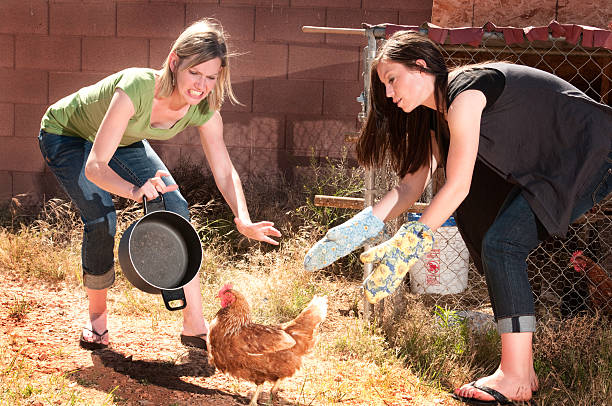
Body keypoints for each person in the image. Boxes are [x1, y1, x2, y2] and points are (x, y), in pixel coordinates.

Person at [304, 30, 611, 404]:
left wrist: (408, 242)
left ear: (420, 67)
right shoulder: (437, 118)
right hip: (556, 163)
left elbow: (459, 185)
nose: (388, 93)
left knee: (502, 245)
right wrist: (356, 228)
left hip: (591, 148)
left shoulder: (464, 95)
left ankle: (513, 376)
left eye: (391, 79)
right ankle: (522, 374)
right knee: (502, 245)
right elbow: (410, 188)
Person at [38, 19, 281, 351]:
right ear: (174, 62)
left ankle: (194, 325)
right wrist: (134, 191)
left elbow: (224, 169)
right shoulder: (136, 87)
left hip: (123, 138)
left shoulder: (205, 109)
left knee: (175, 205)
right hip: (66, 134)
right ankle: (97, 321)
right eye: (195, 73)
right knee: (101, 218)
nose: (201, 85)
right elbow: (96, 166)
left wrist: (243, 216)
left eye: (211, 77)